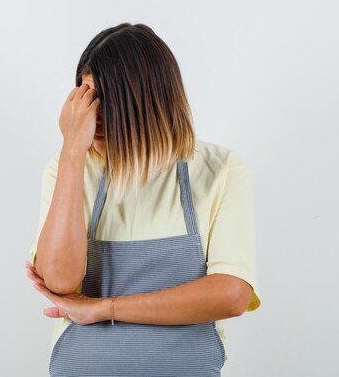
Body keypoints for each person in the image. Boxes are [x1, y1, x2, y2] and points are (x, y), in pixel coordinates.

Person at [24, 23, 261, 377]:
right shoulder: (68, 168)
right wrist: (72, 150)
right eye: (85, 97)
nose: (92, 116)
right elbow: (58, 281)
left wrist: (104, 309)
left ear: (147, 101)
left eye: (104, 99)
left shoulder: (220, 170)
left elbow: (230, 296)